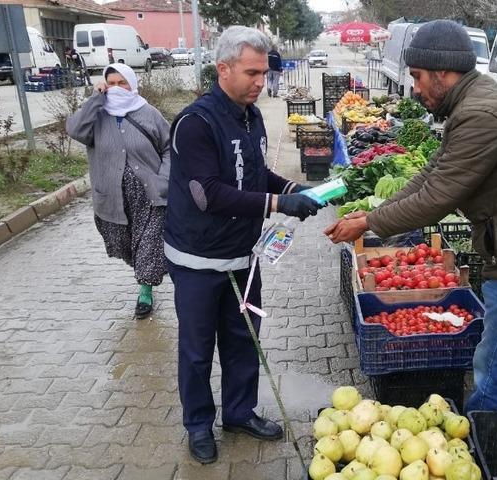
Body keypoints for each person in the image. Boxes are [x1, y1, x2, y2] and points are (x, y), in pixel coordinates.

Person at [325, 20, 497, 414]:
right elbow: (431, 174)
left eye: (418, 77)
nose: (415, 87)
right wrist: (374, 211)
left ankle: (474, 440)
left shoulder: (481, 115)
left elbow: (438, 198)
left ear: (443, 72)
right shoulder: (472, 104)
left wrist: (370, 225)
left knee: (493, 366)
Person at [165, 26, 322, 464]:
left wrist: (294, 188)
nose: (260, 82)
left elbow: (254, 175)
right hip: (197, 259)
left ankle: (239, 413)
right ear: (224, 69)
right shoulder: (195, 123)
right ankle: (198, 424)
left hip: (242, 256)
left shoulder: (251, 117)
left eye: (264, 73)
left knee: (242, 338)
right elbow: (207, 194)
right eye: (252, 72)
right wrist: (277, 203)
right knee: (197, 351)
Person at [66, 63, 171, 319]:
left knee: (148, 245)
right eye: (110, 83)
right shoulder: (96, 116)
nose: (115, 89)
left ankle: (145, 291)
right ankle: (142, 272)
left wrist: (164, 180)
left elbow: (170, 148)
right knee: (125, 244)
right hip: (112, 197)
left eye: (121, 83)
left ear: (132, 84)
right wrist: (95, 99)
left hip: (150, 195)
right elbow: (75, 131)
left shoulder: (149, 113)